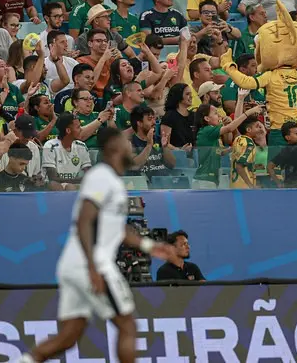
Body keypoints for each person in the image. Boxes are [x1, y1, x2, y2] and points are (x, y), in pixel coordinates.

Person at [17, 126, 177, 363]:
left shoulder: (110, 180)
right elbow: (84, 219)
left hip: (73, 266)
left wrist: (148, 246)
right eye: (126, 142)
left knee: (68, 337)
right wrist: (92, 267)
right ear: (114, 147)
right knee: (127, 325)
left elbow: (115, 227)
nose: (130, 146)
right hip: (91, 263)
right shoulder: (101, 177)